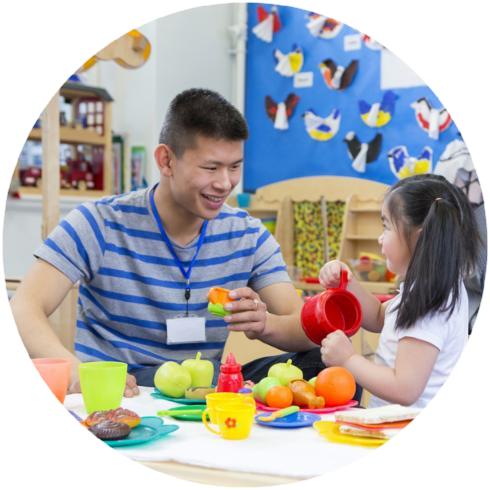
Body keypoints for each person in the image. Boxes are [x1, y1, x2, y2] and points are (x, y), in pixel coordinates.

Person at [11, 88, 323, 398]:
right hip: (127, 384)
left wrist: (265, 324)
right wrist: (76, 371)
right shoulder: (100, 222)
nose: (225, 183)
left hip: (205, 384)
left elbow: (304, 328)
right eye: (211, 168)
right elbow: (23, 308)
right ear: (166, 161)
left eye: (235, 166)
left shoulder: (248, 234)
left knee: (323, 359)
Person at [319, 174, 481, 409]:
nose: (380, 238)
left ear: (420, 238)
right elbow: (378, 316)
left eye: (386, 226)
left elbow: (405, 389)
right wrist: (347, 284)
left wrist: (348, 359)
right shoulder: (432, 288)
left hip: (403, 425)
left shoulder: (430, 303)